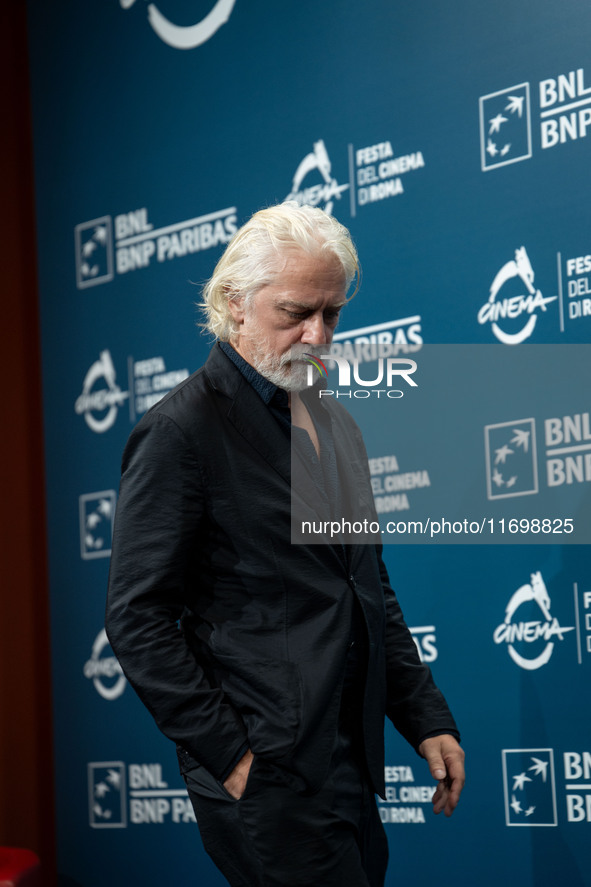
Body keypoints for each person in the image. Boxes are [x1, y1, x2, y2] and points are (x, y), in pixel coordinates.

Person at [105, 202, 465, 887]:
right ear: (235, 305)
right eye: (296, 311)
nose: (316, 334)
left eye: (331, 314)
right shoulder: (180, 432)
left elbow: (366, 588)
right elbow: (137, 618)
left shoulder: (336, 425)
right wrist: (230, 754)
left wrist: (423, 716)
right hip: (266, 773)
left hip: (348, 764)